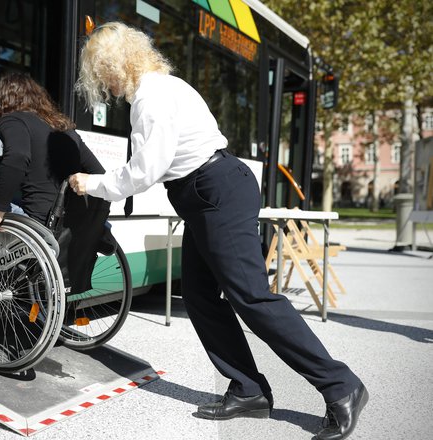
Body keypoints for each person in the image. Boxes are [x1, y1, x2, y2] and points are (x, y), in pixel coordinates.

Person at [69, 22, 367, 440]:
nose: (103, 83)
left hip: (214, 191)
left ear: (116, 65)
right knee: (199, 294)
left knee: (252, 297)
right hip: (209, 192)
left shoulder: (151, 99)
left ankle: (341, 386)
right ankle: (248, 389)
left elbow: (145, 172)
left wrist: (92, 183)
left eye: (102, 73)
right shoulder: (165, 86)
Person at [0, 72, 105, 243]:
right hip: (66, 225)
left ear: (3, 100)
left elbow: (17, 157)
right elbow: (99, 173)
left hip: (37, 224)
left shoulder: (11, 119)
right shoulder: (67, 130)